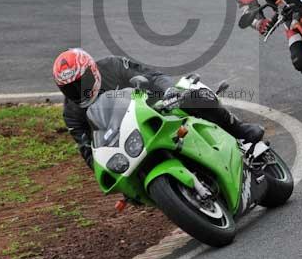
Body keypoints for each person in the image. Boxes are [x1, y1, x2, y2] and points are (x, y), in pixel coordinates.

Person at [52, 48, 264, 169]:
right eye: (71, 88)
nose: (79, 90)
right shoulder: (71, 113)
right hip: (128, 143)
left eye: (83, 82)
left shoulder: (112, 65)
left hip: (155, 109)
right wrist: (103, 167)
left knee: (192, 94)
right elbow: (87, 150)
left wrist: (169, 90)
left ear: (93, 70)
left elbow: (153, 76)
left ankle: (239, 130)